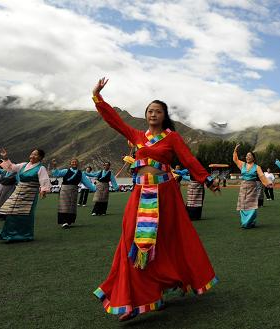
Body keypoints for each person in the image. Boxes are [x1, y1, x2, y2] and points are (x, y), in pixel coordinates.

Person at [91, 78, 220, 321]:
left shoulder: (172, 138)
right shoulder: (137, 135)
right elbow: (114, 120)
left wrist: (206, 179)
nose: (153, 114)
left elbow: (189, 160)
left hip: (165, 194)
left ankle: (161, 287)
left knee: (166, 242)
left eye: (158, 111)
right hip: (140, 193)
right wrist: (98, 97)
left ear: (164, 115)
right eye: (150, 111)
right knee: (132, 240)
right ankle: (136, 298)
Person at [0, 148, 51, 242]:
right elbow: (11, 168)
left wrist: (43, 190)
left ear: (40, 157)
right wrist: (5, 158)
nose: (32, 156)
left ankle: (25, 235)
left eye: (35, 155)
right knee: (12, 213)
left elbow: (44, 180)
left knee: (25, 214)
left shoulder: (41, 168)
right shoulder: (23, 165)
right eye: (32, 154)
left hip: (30, 194)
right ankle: (9, 234)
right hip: (18, 193)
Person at [233, 145, 272, 228]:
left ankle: (250, 222)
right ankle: (245, 222)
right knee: (243, 205)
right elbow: (235, 159)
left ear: (253, 158)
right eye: (247, 156)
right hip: (243, 187)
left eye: (249, 155)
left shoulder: (257, 167)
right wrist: (235, 151)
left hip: (252, 188)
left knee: (251, 205)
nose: (247, 157)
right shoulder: (242, 165)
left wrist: (268, 183)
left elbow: (261, 176)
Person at [51, 158, 97, 228]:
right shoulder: (66, 171)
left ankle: (69, 221)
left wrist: (95, 189)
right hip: (64, 190)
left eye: (75, 162)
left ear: (78, 163)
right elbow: (57, 174)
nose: (74, 163)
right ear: (70, 163)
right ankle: (64, 222)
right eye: (72, 162)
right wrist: (54, 166)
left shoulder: (81, 173)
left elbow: (87, 183)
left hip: (74, 191)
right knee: (64, 206)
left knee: (71, 206)